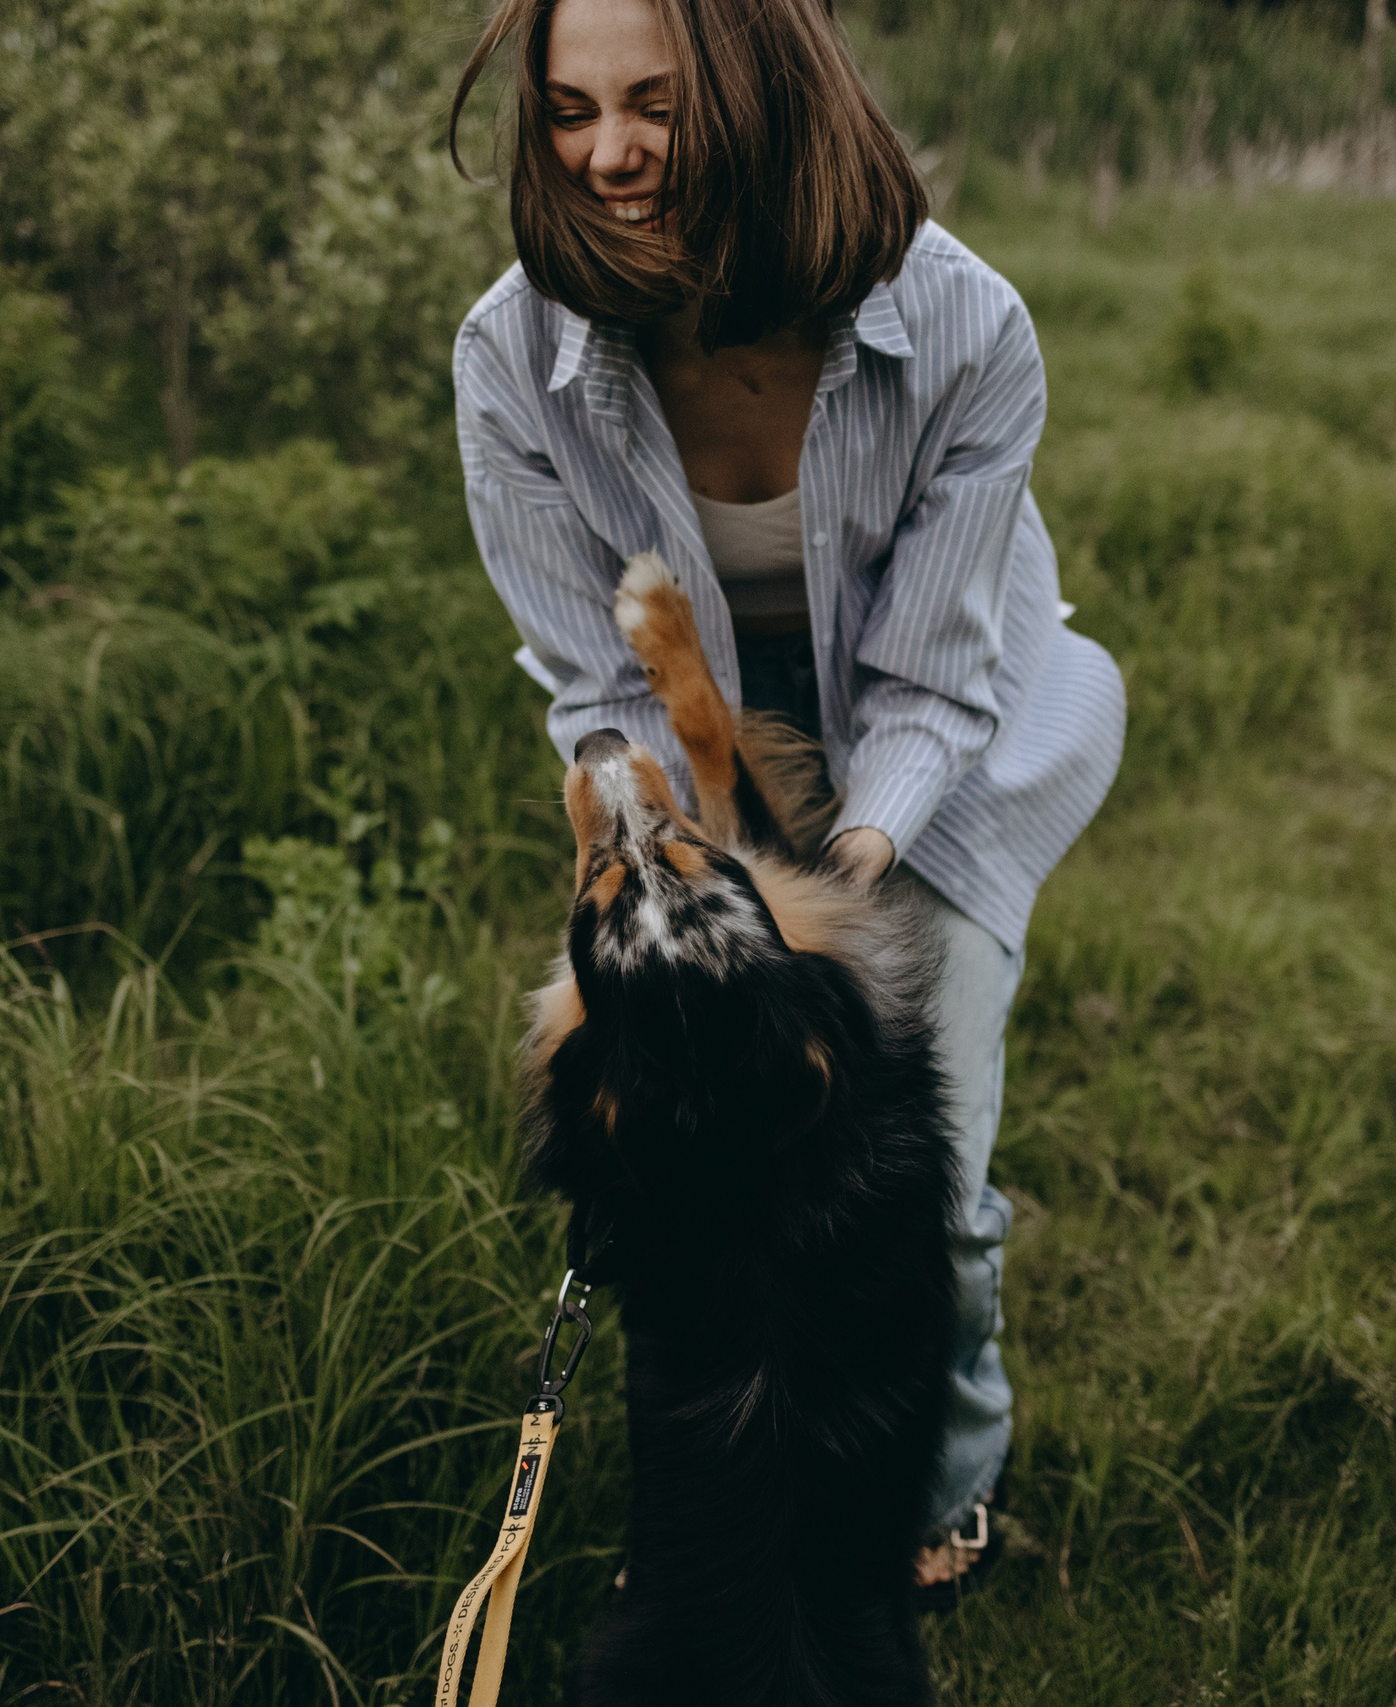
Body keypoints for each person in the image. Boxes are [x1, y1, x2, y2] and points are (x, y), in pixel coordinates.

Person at [449, 0, 1124, 1600]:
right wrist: (705, 862)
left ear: (759, 94)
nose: (605, 153)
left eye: (653, 107)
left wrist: (848, 876)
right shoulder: (514, 356)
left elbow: (935, 681)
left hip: (941, 755)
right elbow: (602, 689)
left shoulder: (965, 328)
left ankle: (931, 1490)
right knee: (710, 1179)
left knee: (917, 1167)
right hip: (698, 759)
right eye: (567, 111)